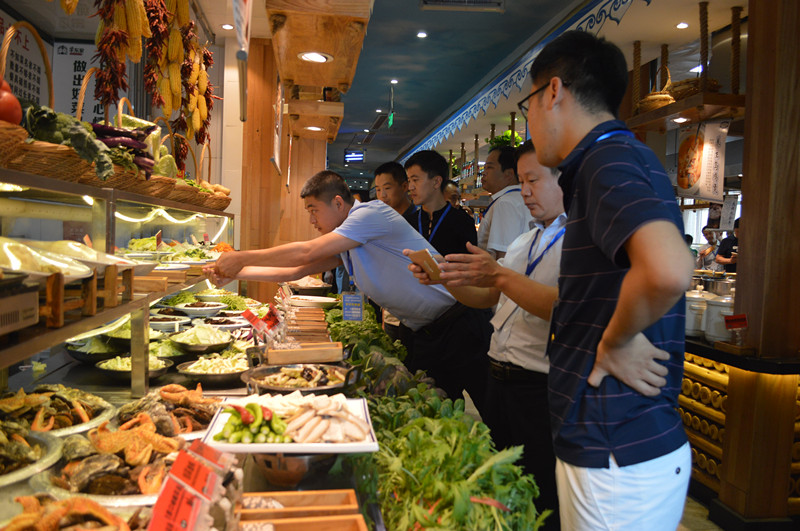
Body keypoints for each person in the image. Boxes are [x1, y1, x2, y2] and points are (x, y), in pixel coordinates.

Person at [523, 30, 694, 530]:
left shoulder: (607, 159)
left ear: (553, 91)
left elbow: (669, 269)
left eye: (527, 104)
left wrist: (616, 340)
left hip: (615, 447)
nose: (528, 122)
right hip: (612, 441)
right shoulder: (614, 158)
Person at [208, 170, 490, 411]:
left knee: (491, 406)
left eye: (313, 211)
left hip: (459, 322)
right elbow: (295, 272)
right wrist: (234, 273)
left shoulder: (369, 213)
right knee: (436, 407)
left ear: (339, 202)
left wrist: (242, 257)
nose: (312, 221)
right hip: (427, 332)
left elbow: (306, 252)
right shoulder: (349, 240)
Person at [406, 140, 564, 528]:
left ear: (567, 181)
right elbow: (487, 297)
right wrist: (441, 279)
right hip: (499, 374)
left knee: (542, 493)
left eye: (534, 180)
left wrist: (499, 275)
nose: (525, 191)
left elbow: (567, 310)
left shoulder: (581, 243)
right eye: (522, 181)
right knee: (504, 487)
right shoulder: (527, 240)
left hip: (539, 384)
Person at [404, 150, 477, 257]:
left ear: (437, 181)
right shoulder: (407, 224)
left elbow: (469, 268)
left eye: (415, 180)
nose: (411, 187)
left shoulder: (463, 223)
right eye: (409, 181)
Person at [477, 145, 534, 259]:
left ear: (508, 174)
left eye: (489, 167)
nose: (484, 173)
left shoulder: (505, 203)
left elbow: (504, 256)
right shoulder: (517, 199)